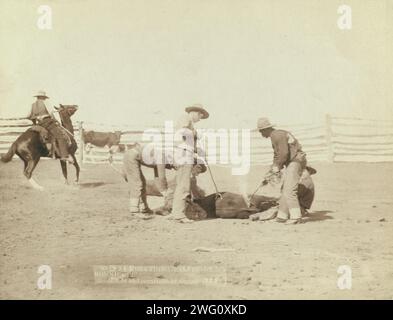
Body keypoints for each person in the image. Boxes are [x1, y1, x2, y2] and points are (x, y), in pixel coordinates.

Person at [257, 117, 307, 225]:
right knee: (285, 189)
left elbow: (283, 154)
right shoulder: (276, 135)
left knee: (289, 190)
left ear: (266, 129)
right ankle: (282, 216)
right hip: (293, 161)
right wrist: (272, 171)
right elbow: (277, 155)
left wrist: (276, 167)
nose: (261, 134)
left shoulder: (277, 135)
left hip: (296, 161)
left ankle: (296, 217)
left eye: (261, 131)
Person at [169, 104, 209, 222]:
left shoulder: (186, 121)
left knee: (180, 184)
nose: (199, 119)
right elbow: (183, 132)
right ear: (196, 113)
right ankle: (179, 215)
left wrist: (195, 148)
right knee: (184, 185)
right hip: (184, 154)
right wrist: (197, 134)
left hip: (183, 152)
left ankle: (175, 212)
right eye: (200, 117)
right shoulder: (185, 118)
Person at [122, 142, 172, 217]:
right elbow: (162, 178)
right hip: (132, 156)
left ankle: (144, 208)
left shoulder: (161, 156)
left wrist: (163, 190)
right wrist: (166, 193)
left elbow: (157, 178)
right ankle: (134, 210)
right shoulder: (162, 157)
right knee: (137, 184)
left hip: (132, 156)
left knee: (142, 182)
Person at [27, 91, 73, 163]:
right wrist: (54, 120)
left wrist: (36, 119)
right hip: (47, 122)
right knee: (60, 136)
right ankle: (64, 155)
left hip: (39, 124)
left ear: (37, 97)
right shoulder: (45, 103)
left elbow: (28, 116)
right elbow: (51, 113)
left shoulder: (33, 105)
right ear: (43, 97)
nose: (44, 99)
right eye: (44, 98)